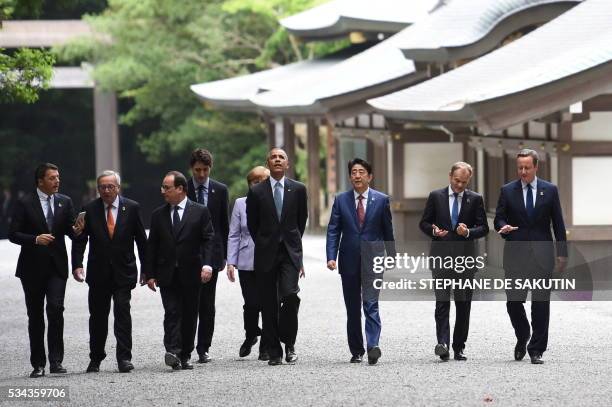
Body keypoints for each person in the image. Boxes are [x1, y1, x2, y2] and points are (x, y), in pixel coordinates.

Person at [494, 149, 567, 364]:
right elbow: (498, 218)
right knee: (513, 302)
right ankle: (523, 334)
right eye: (520, 168)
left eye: (527, 167)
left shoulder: (550, 190)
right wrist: (502, 226)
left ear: (536, 167)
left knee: (541, 303)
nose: (523, 172)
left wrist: (562, 253)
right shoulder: (507, 191)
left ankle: (536, 349)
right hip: (515, 254)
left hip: (542, 255)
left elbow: (558, 224)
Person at [8, 163, 80, 378]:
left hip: (57, 266)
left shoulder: (64, 201)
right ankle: (38, 363)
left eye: (58, 177)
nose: (57, 181)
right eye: (52, 178)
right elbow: (13, 234)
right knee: (35, 315)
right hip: (31, 268)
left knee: (56, 309)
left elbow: (71, 232)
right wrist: (35, 239)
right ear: (40, 181)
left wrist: (78, 229)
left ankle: (56, 361)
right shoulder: (24, 202)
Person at [71, 170, 147, 373]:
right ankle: (95, 358)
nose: (106, 190)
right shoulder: (89, 209)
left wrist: (146, 269)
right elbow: (80, 240)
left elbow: (141, 241)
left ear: (118, 188)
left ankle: (124, 358)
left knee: (122, 313)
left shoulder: (131, 208)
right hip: (98, 273)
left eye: (110, 186)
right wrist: (77, 265)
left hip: (124, 271)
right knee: (97, 316)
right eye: (102, 187)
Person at [326, 158, 395, 365]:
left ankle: (373, 346)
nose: (357, 175)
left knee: (371, 303)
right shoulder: (341, 200)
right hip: (348, 259)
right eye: (354, 172)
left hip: (373, 259)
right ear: (350, 177)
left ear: (370, 176)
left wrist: (391, 255)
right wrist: (331, 256)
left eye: (361, 172)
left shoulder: (382, 200)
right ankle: (356, 350)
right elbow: (333, 229)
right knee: (353, 307)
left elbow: (387, 230)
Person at [419, 162, 489, 361]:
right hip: (441, 258)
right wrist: (434, 231)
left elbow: (483, 228)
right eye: (457, 181)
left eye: (464, 182)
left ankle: (459, 347)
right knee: (442, 302)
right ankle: (443, 343)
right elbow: (423, 222)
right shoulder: (436, 196)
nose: (459, 185)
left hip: (465, 260)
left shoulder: (475, 199)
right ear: (450, 176)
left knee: (463, 304)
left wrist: (468, 232)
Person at [145, 171, 214, 370]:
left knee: (190, 313)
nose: (162, 191)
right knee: (172, 311)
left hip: (192, 272)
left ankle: (185, 354)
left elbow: (209, 239)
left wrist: (207, 265)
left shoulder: (200, 211)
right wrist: (149, 274)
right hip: (167, 273)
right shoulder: (158, 214)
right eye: (163, 187)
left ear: (180, 189)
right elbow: (152, 246)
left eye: (167, 188)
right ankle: (172, 350)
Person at [246, 148, 308, 366]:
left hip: (290, 252)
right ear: (268, 163)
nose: (278, 159)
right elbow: (252, 224)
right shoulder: (257, 192)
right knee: (269, 303)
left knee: (290, 295)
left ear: (287, 164)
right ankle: (274, 352)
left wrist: (292, 244)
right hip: (265, 252)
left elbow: (301, 222)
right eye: (274, 157)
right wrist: (265, 241)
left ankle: (289, 342)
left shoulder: (299, 189)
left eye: (282, 157)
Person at [186, 148, 229, 363]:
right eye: (197, 170)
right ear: (191, 169)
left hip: (212, 253)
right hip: (187, 253)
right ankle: (184, 345)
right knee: (188, 301)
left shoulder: (220, 190)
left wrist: (225, 256)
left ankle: (204, 347)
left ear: (210, 168)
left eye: (204, 170)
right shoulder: (182, 188)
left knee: (207, 303)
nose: (201, 175)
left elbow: (223, 224)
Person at [226, 166, 270, 360]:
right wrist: (231, 262)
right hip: (247, 261)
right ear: (249, 184)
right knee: (251, 304)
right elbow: (234, 234)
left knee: (269, 304)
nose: (258, 185)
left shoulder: (275, 202)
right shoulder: (240, 204)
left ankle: (266, 346)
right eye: (255, 182)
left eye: (263, 181)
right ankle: (251, 334)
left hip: (269, 260)